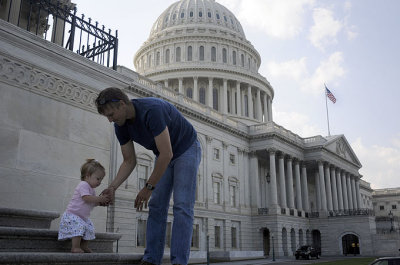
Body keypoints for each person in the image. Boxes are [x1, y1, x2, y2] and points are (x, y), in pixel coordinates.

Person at [95, 87, 201, 265]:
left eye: (111, 114)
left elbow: (167, 153)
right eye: (107, 117)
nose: (110, 120)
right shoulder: (120, 126)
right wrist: (112, 187)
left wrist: (148, 187)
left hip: (186, 148)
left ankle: (179, 261)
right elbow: (129, 161)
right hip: (164, 154)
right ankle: (151, 259)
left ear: (122, 104)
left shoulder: (152, 110)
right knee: (156, 205)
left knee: (182, 205)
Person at [58, 159, 110, 253]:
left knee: (89, 228)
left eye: (101, 179)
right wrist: (100, 199)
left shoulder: (92, 190)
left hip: (82, 217)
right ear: (87, 176)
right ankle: (75, 247)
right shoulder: (83, 184)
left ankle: (84, 246)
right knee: (79, 227)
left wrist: (100, 203)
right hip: (73, 215)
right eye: (98, 179)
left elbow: (92, 202)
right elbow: (86, 198)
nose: (100, 182)